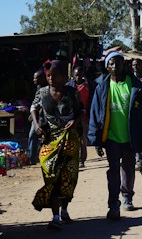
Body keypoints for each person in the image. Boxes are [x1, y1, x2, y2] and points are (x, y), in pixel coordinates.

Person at [88, 52, 142, 220]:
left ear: (124, 65)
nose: (115, 66)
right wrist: (96, 140)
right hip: (111, 138)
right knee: (113, 172)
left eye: (118, 63)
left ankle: (127, 196)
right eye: (111, 64)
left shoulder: (136, 86)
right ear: (107, 67)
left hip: (130, 138)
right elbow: (95, 114)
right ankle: (113, 205)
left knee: (128, 169)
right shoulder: (101, 87)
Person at [31, 60, 82, 230]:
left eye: (54, 75)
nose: (51, 79)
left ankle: (64, 210)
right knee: (51, 176)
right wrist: (37, 125)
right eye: (48, 76)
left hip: (70, 141)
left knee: (68, 177)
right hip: (49, 140)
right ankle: (55, 216)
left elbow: (81, 111)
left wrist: (75, 121)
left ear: (64, 76)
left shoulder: (72, 92)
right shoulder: (43, 92)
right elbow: (34, 108)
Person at [68, 66, 91, 168]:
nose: (78, 77)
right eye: (76, 75)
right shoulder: (69, 86)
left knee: (83, 139)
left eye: (80, 75)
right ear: (73, 75)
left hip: (84, 117)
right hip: (72, 116)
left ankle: (82, 160)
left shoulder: (88, 86)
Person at [28, 70, 48, 165]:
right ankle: (31, 159)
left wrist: (36, 114)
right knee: (32, 135)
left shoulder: (48, 88)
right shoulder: (38, 87)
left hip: (45, 117)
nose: (34, 80)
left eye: (36, 77)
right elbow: (36, 103)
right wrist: (32, 114)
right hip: (37, 116)